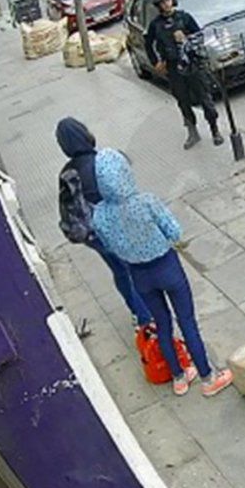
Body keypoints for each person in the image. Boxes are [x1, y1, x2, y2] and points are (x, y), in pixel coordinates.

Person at [90, 148, 234, 397]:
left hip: (139, 276)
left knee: (162, 324)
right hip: (166, 266)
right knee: (187, 321)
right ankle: (208, 377)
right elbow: (175, 231)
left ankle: (179, 377)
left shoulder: (101, 214)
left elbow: (110, 245)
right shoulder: (146, 201)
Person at [55, 117, 154, 329]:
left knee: (118, 270)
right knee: (132, 269)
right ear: (85, 134)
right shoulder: (103, 160)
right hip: (114, 227)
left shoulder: (66, 172)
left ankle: (137, 312)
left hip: (91, 234)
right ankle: (147, 318)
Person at [143, 0, 223, 150]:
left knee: (205, 98)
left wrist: (186, 38)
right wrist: (156, 62)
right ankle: (192, 132)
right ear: (158, 5)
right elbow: (148, 43)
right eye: (162, 2)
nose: (166, 4)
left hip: (193, 65)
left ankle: (215, 130)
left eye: (168, 0)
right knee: (183, 101)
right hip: (173, 68)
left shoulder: (184, 18)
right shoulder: (155, 25)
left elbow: (200, 38)